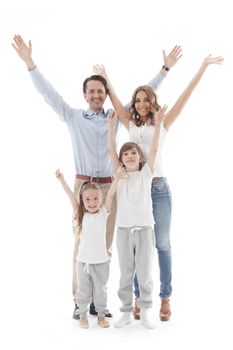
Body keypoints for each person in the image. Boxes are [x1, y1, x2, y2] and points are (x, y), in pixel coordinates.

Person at [12, 34, 182, 319]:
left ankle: (98, 302)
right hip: (83, 185)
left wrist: (164, 70)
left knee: (105, 246)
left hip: (112, 186)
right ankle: (80, 301)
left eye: (100, 92)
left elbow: (143, 97)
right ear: (85, 95)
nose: (96, 96)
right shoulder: (73, 116)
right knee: (81, 243)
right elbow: (48, 94)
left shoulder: (114, 117)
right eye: (91, 92)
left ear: (105, 95)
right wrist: (30, 63)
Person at [94, 53, 224, 322]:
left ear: (153, 102)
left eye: (146, 99)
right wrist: (107, 79)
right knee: (134, 245)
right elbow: (117, 103)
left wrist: (203, 66)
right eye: (138, 100)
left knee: (162, 244)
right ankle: (140, 299)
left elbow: (185, 96)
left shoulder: (163, 122)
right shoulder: (130, 124)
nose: (141, 104)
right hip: (132, 190)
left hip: (158, 187)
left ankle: (165, 297)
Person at [108, 106, 167, 329]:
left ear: (138, 157)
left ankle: (145, 312)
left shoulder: (146, 173)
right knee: (125, 274)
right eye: (126, 153)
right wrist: (110, 126)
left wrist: (159, 123)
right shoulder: (120, 175)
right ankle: (125, 311)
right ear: (122, 159)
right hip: (123, 230)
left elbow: (154, 149)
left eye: (134, 153)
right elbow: (111, 150)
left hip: (144, 229)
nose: (130, 156)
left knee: (145, 273)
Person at [55, 169, 123, 328]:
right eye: (87, 199)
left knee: (101, 290)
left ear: (100, 199)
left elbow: (111, 194)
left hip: (101, 262)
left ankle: (101, 314)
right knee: (83, 290)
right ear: (82, 201)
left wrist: (117, 179)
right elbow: (71, 197)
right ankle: (83, 314)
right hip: (83, 262)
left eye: (95, 198)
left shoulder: (103, 213)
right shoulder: (81, 214)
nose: (92, 202)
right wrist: (62, 180)